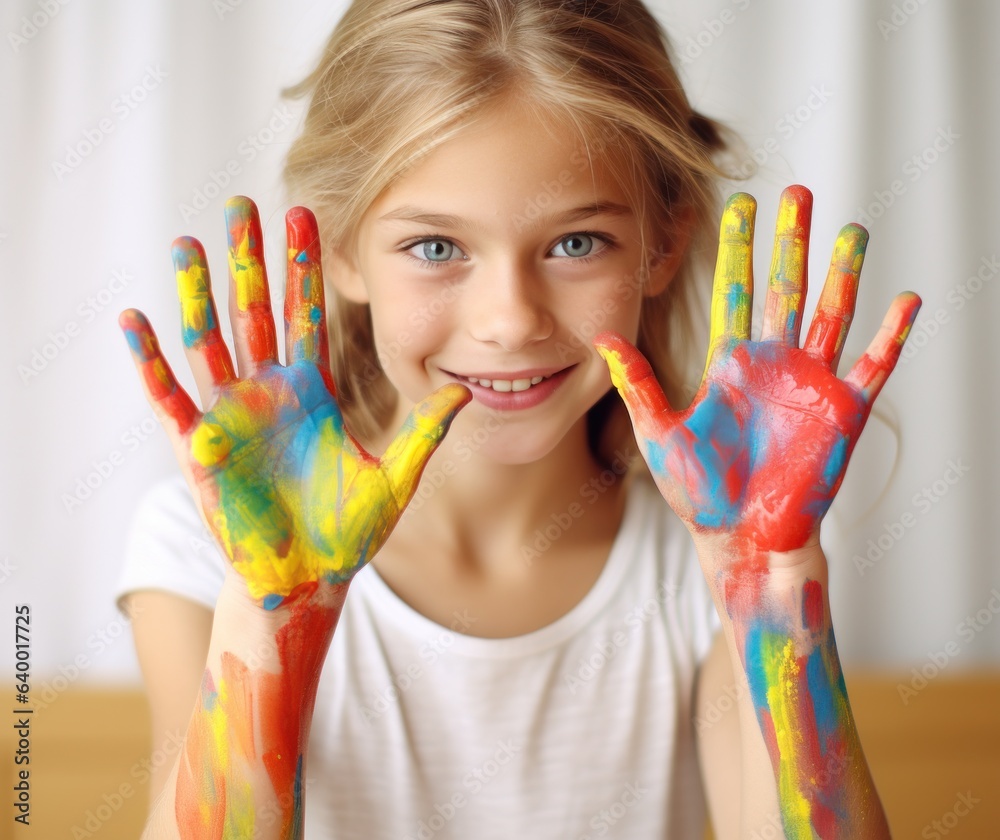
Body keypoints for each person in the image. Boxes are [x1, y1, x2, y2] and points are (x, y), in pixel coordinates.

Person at [114, 1, 920, 837]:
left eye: (576, 243)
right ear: (341, 252)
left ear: (662, 243)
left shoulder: (701, 572)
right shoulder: (205, 550)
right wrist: (274, 617)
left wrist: (773, 588)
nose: (510, 320)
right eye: (436, 247)